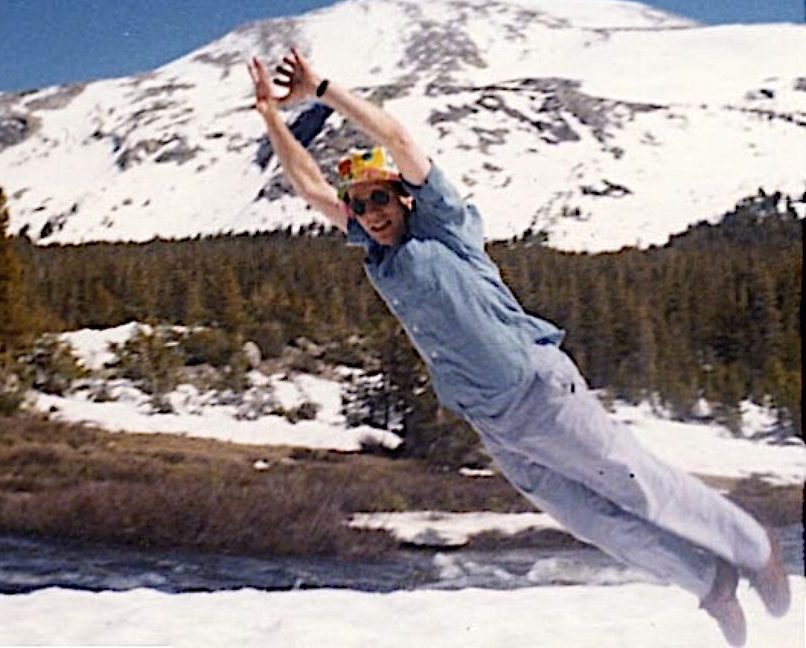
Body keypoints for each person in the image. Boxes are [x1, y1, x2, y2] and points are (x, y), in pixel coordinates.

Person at [246, 48, 790, 646]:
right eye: (361, 203)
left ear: (403, 198)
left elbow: (398, 137)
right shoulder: (375, 252)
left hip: (539, 389)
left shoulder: (442, 225)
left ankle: (754, 549)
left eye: (380, 198)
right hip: (493, 420)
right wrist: (272, 115)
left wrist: (323, 89)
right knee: (591, 520)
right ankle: (710, 585)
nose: (370, 212)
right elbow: (308, 185)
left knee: (637, 485)